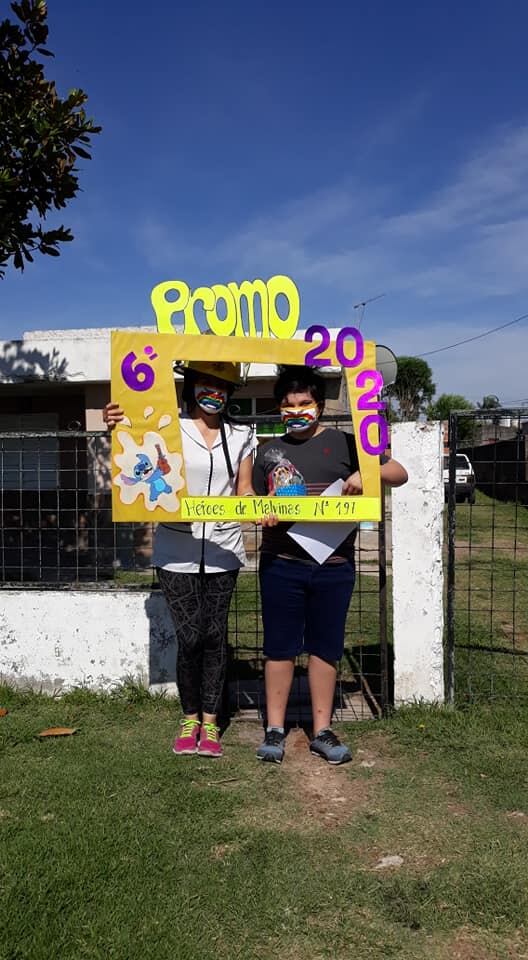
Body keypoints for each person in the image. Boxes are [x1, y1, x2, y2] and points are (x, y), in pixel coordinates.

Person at [252, 365, 408, 765]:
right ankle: (275, 730)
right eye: (288, 405)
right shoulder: (268, 452)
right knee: (279, 647)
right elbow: (249, 500)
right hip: (281, 562)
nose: (297, 410)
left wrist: (364, 471)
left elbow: (399, 472)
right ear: (278, 409)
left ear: (320, 405)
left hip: (335, 564)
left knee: (325, 647)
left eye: (305, 403)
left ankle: (321, 730)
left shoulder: (347, 442)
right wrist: (261, 511)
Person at [104, 360, 257, 758]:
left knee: (214, 635)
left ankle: (211, 722)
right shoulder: (166, 427)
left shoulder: (242, 434)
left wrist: (258, 505)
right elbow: (134, 454)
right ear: (190, 385)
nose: (214, 391)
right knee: (190, 636)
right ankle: (190, 715)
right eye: (206, 381)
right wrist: (117, 424)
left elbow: (243, 490)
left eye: (222, 384)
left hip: (224, 547)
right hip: (175, 549)